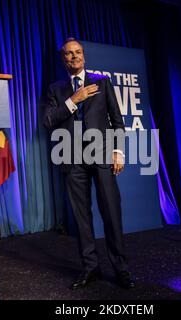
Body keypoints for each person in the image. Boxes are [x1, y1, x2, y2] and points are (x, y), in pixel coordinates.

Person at [44, 38, 135, 290]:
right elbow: (48, 120)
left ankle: (121, 269)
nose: (74, 57)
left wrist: (118, 151)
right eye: (69, 54)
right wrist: (74, 99)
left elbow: (117, 120)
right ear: (63, 59)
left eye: (78, 52)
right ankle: (90, 268)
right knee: (82, 218)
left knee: (111, 213)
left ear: (83, 55)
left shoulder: (102, 81)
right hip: (72, 158)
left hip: (103, 154)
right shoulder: (56, 89)